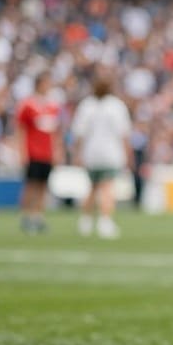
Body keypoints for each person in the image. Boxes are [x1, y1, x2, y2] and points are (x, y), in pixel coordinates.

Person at [71, 76, 133, 240]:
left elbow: (79, 134)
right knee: (107, 187)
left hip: (91, 154)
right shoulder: (116, 106)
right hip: (111, 154)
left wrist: (77, 153)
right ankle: (105, 221)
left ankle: (86, 220)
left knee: (92, 187)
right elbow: (124, 134)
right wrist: (128, 154)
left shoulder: (87, 105)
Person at [16, 71, 62, 234]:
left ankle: (38, 216)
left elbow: (55, 133)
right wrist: (22, 152)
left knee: (43, 186)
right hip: (33, 152)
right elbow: (20, 130)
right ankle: (26, 216)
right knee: (31, 185)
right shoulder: (28, 105)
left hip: (46, 153)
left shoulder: (53, 106)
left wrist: (57, 151)